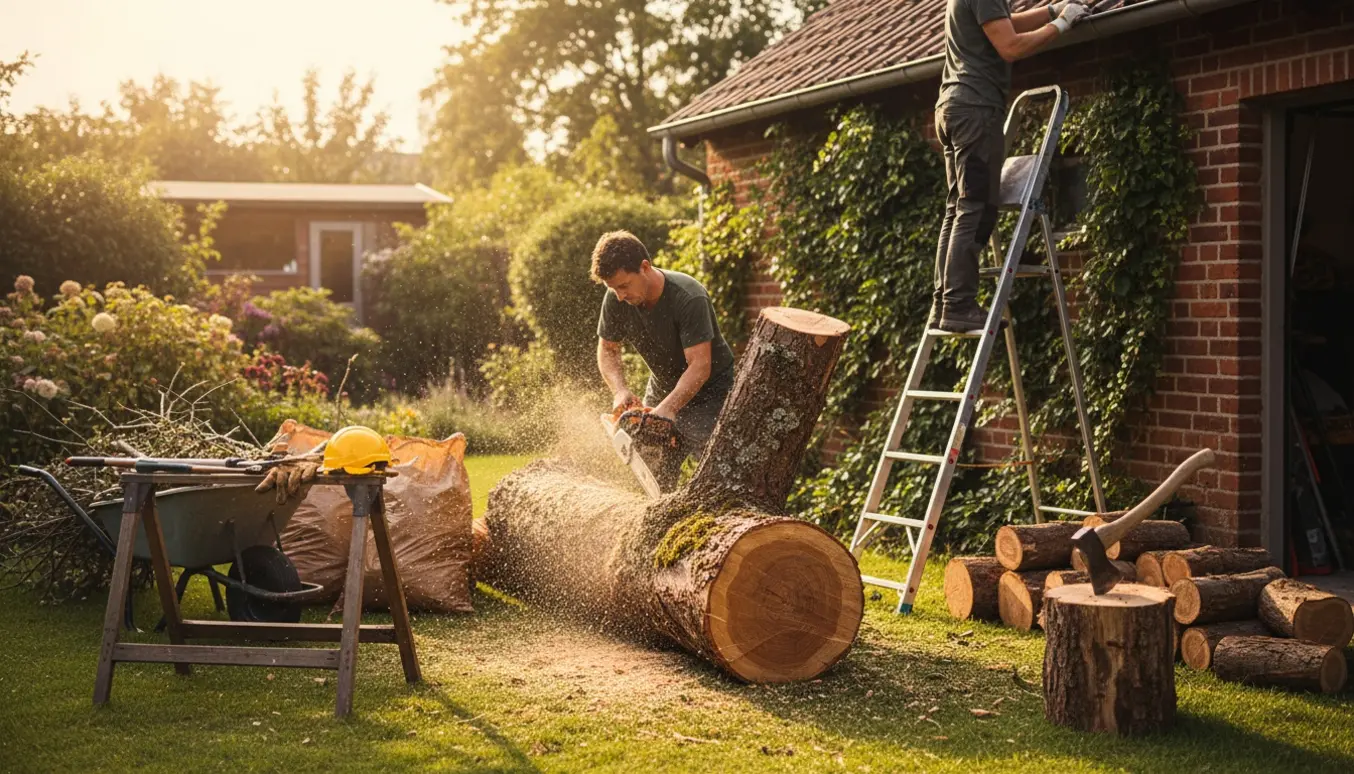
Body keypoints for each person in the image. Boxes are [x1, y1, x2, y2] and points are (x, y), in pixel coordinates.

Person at [931, 0, 1090, 333]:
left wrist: (1051, 11)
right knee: (975, 208)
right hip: (976, 110)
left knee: (957, 209)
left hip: (954, 107)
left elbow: (1004, 22)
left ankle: (943, 304)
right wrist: (1060, 25)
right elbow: (1011, 46)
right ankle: (958, 306)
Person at [592, 230, 735, 488]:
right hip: (662, 387)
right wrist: (620, 390)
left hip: (711, 397)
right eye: (612, 288)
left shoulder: (688, 297)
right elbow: (608, 349)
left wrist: (669, 408)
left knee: (717, 481)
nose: (620, 296)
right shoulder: (616, 298)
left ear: (645, 267)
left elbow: (700, 366)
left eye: (624, 286)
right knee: (650, 473)